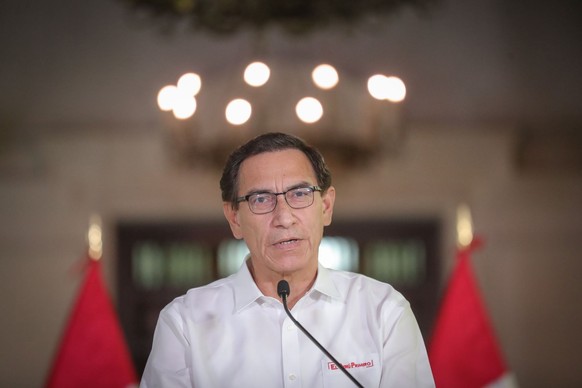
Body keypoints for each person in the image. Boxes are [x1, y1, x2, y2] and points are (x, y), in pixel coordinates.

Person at [140, 132, 435, 387]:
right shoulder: (184, 323)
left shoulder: (384, 311)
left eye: (300, 193)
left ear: (326, 207)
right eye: (260, 199)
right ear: (234, 219)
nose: (283, 217)